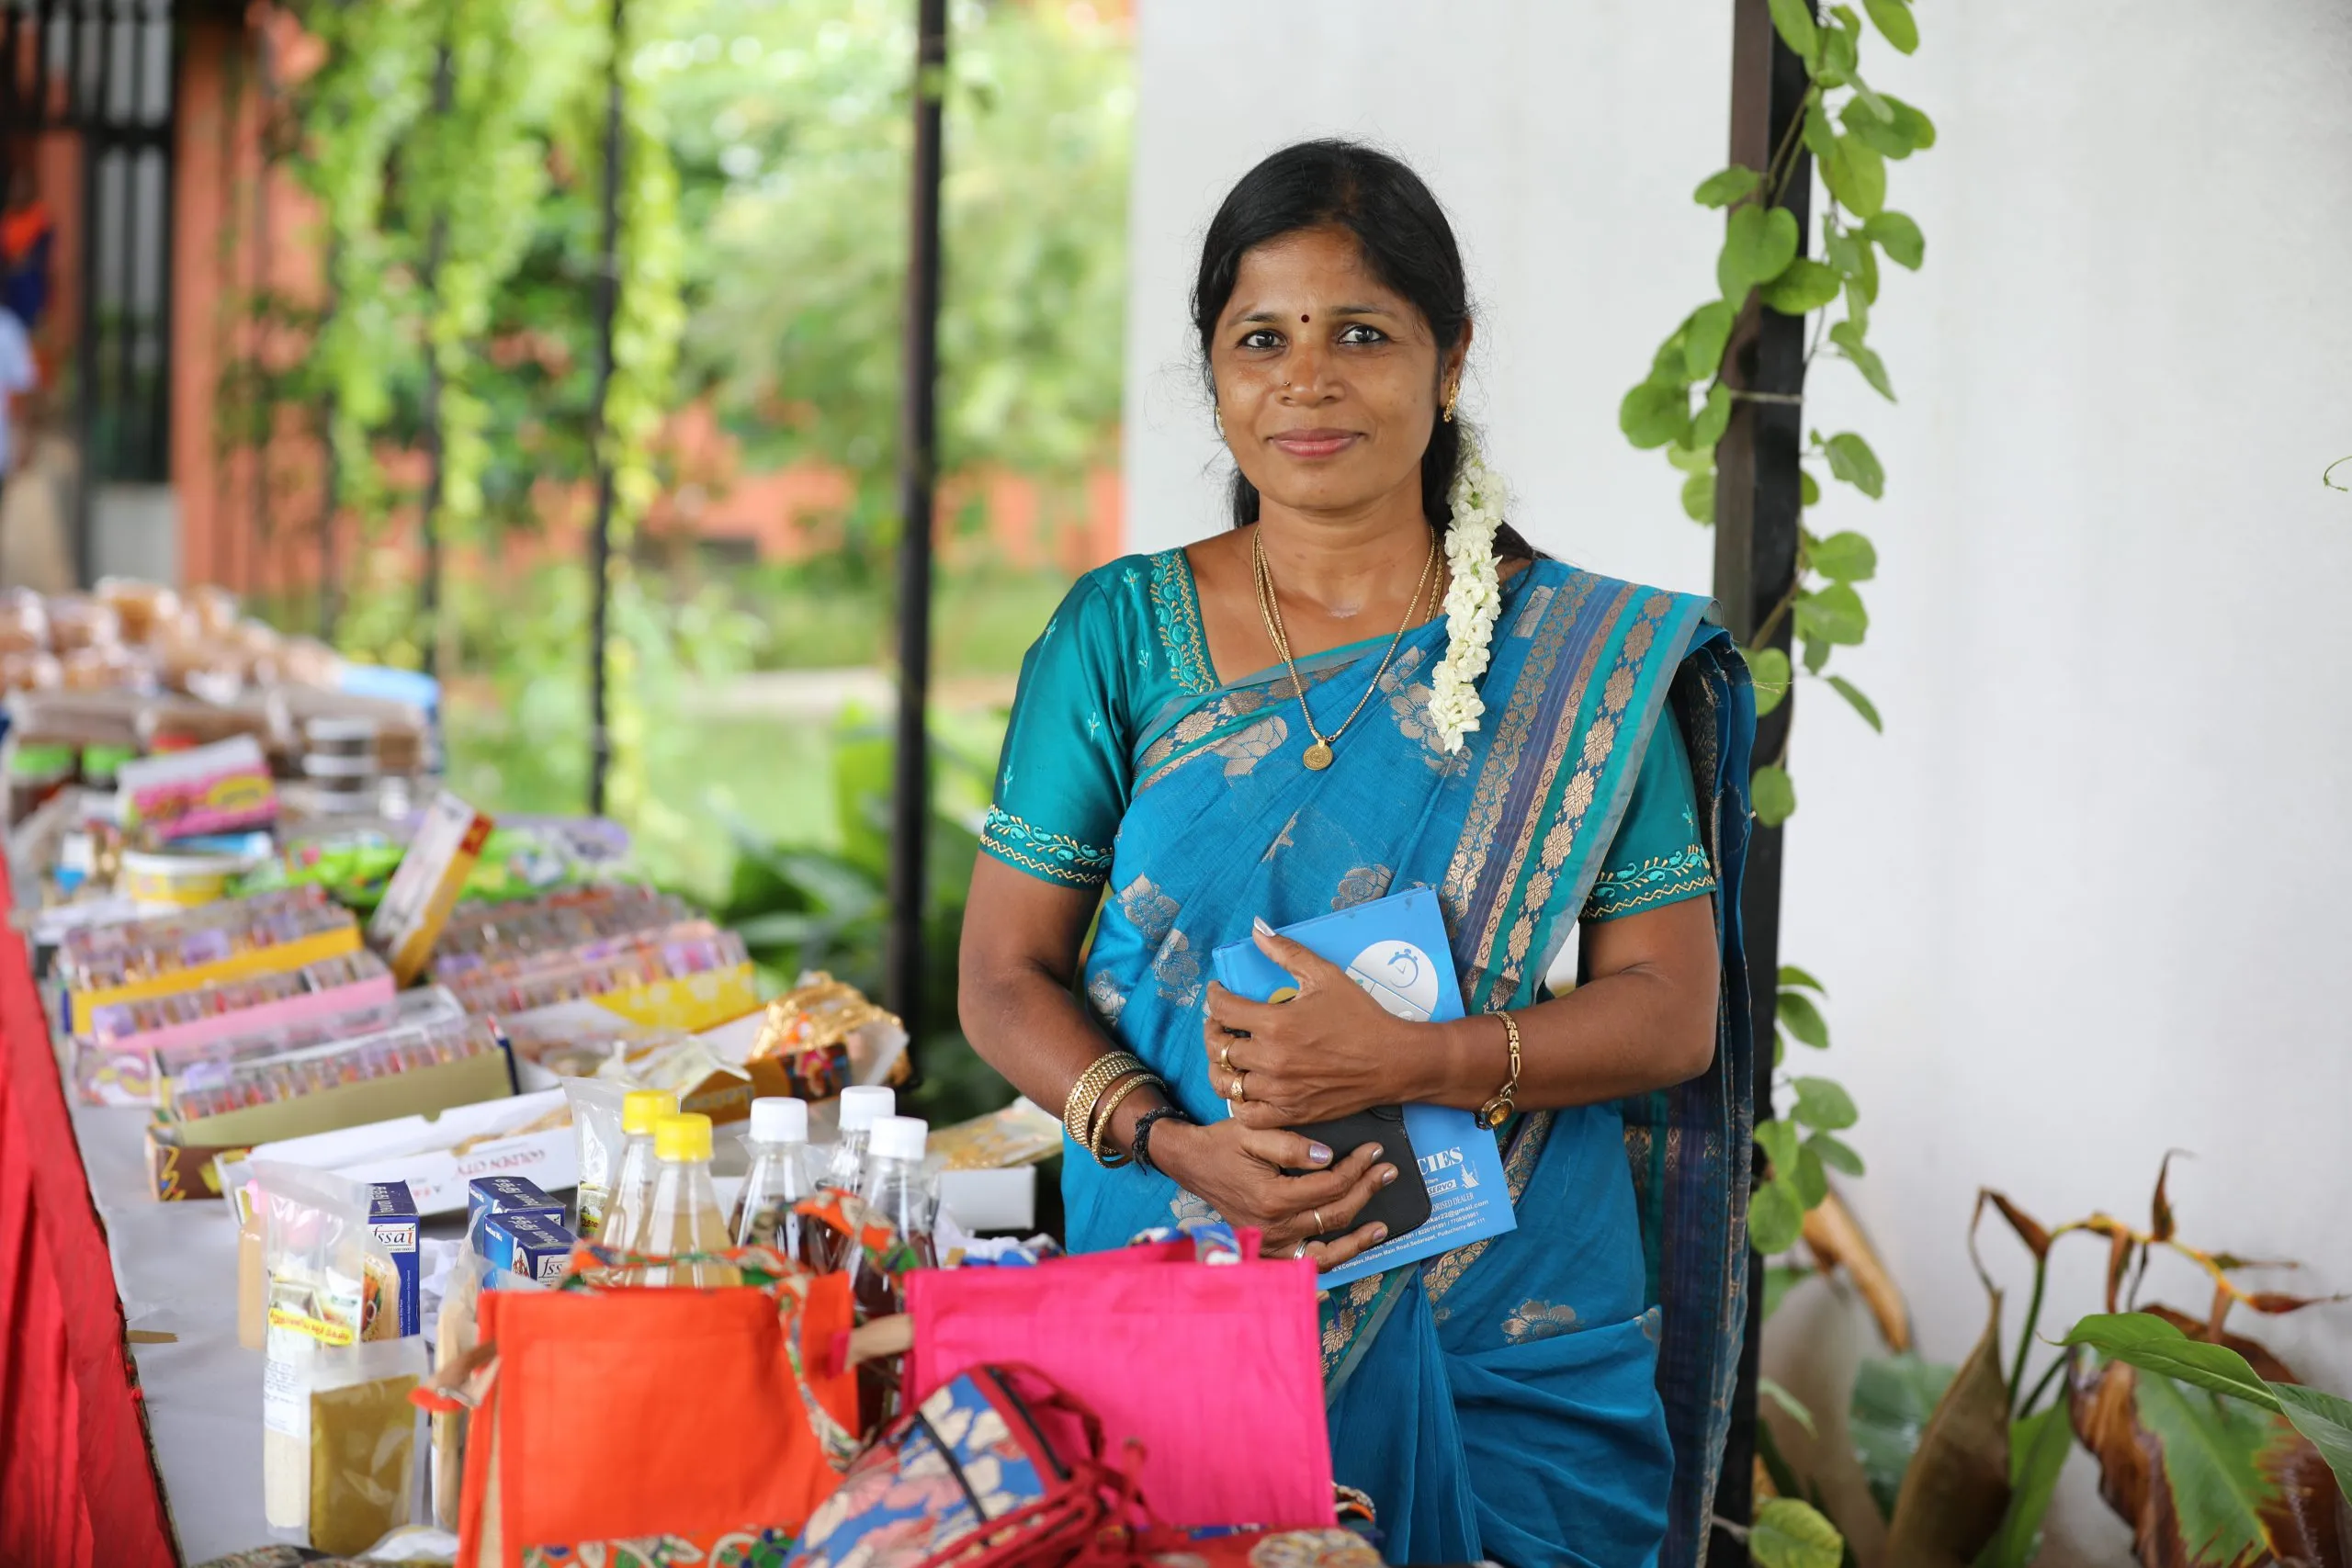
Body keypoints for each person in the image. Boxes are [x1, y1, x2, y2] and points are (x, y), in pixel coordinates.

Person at [958, 140, 1757, 1568]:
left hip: (1503, 1320)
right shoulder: (1119, 634)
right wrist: (1175, 1142)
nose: (1306, 379)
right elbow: (1004, 974)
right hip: (1176, 1294)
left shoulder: (1576, 658)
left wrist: (1411, 1064)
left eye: (1362, 334)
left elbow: (1669, 1010)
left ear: (1448, 365)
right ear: (1213, 374)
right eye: (1261, 337)